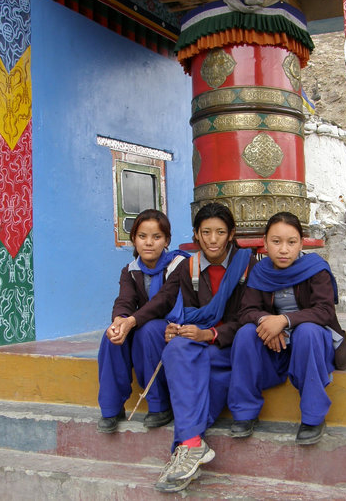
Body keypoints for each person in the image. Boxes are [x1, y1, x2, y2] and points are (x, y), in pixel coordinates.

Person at [114, 202, 256, 493]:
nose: (213, 239)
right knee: (176, 349)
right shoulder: (186, 267)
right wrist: (172, 327)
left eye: (220, 232)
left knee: (211, 372)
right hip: (201, 340)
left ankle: (186, 445)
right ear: (196, 234)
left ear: (231, 235)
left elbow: (249, 316)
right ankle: (193, 444)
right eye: (206, 232)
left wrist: (209, 334)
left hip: (232, 342)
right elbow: (173, 306)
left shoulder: (248, 265)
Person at [228, 211, 346, 446]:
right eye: (276, 242)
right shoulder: (260, 271)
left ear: (301, 244)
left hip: (312, 343)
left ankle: (313, 417)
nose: (283, 249)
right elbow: (247, 311)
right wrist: (268, 323)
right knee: (245, 333)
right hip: (278, 345)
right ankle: (245, 413)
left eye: (291, 242)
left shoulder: (316, 269)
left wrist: (284, 320)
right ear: (265, 243)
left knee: (308, 331)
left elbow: (324, 311)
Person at [96, 209, 188, 433]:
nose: (149, 243)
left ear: (166, 240)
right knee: (112, 335)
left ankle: (159, 405)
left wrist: (132, 321)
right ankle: (111, 407)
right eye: (142, 236)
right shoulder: (130, 270)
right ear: (134, 239)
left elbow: (163, 301)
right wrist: (120, 320)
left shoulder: (179, 265)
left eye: (156, 237)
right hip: (143, 323)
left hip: (171, 326)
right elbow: (125, 300)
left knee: (148, 330)